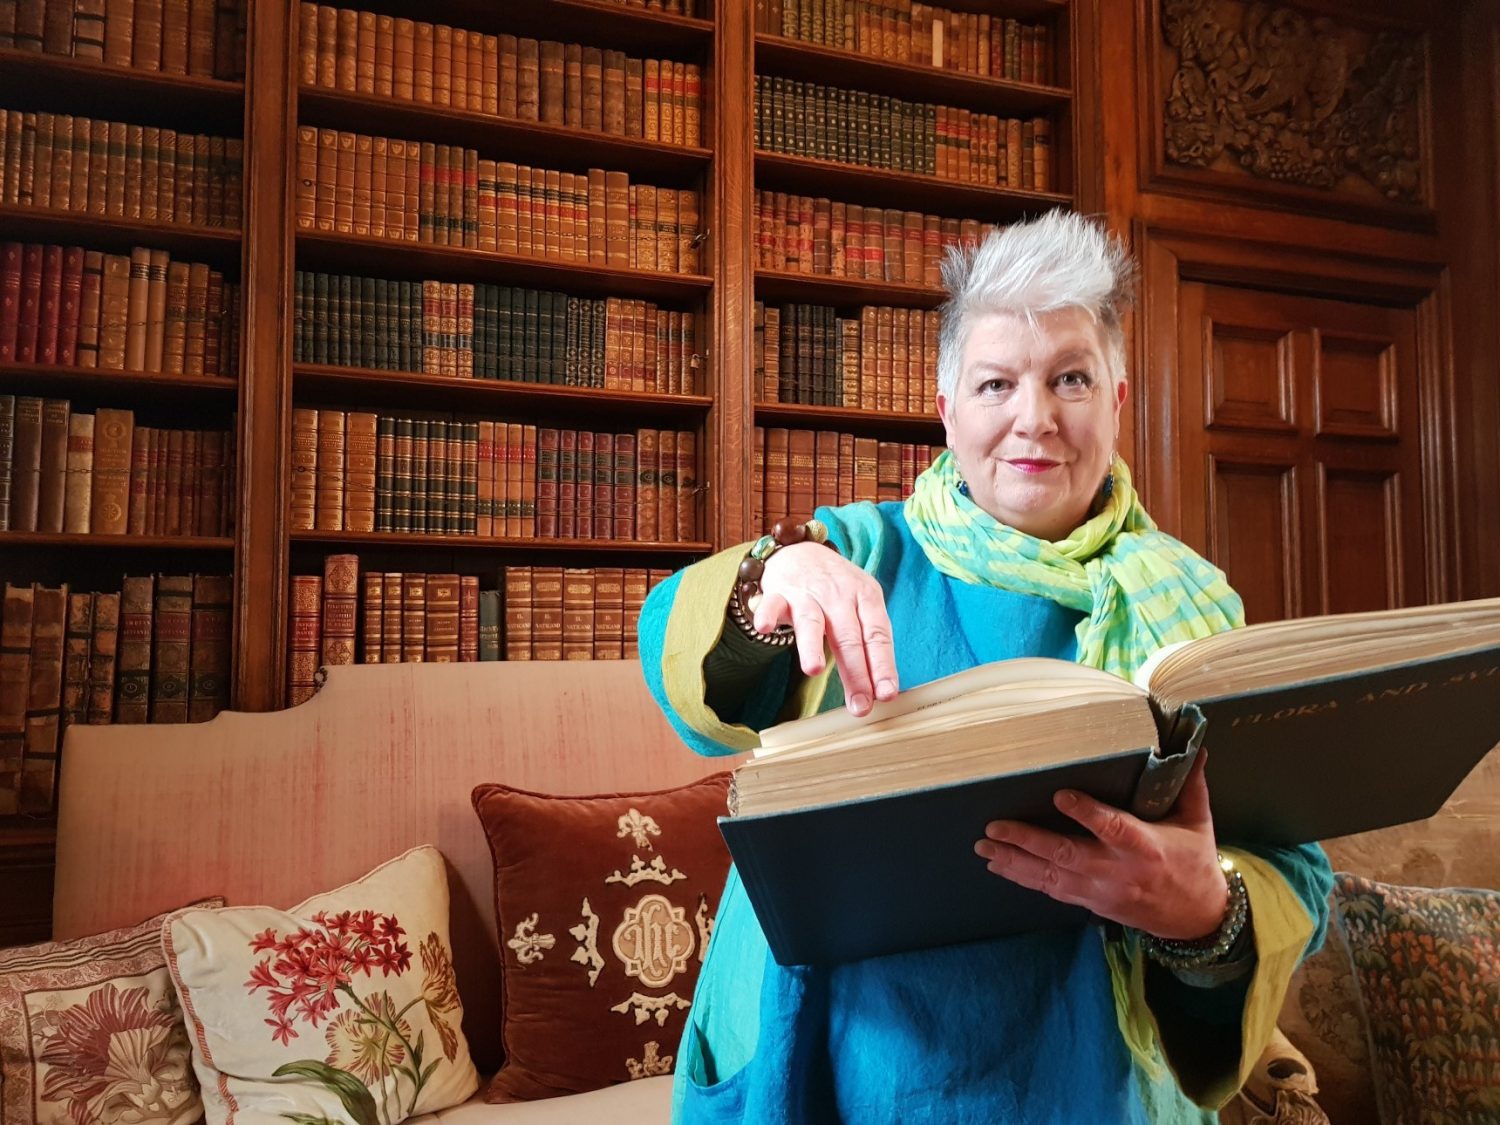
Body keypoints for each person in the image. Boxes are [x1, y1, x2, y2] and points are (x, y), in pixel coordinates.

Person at [637, 210, 1333, 1123]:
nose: (1034, 418)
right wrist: (774, 573)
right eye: (997, 381)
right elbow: (676, 658)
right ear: (948, 410)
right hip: (821, 1076)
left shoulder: (1196, 613)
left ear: (1117, 400)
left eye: (1070, 378)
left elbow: (1291, 866)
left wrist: (1206, 911)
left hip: (1083, 1085)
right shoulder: (851, 551)